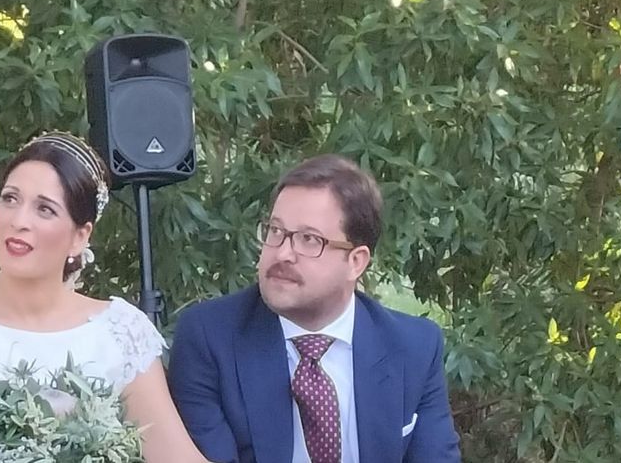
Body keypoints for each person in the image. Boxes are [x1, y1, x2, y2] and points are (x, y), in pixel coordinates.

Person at [0, 132, 207, 463]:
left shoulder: (122, 330)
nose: (18, 220)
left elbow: (176, 456)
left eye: (44, 209)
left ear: (79, 236)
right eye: (10, 199)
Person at [168, 153, 460, 463]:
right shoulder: (209, 338)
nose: (282, 254)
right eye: (275, 231)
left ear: (356, 262)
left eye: (309, 239)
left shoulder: (414, 346)